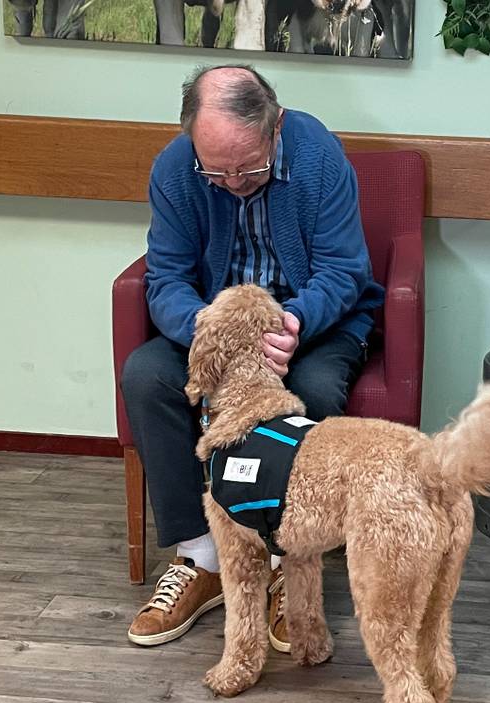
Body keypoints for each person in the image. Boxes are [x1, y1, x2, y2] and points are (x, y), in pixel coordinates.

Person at [120, 64, 383, 649]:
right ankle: (203, 559)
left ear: (275, 125)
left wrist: (293, 324)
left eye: (250, 168)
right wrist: (211, 331)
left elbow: (344, 271)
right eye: (217, 170)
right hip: (217, 326)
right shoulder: (174, 168)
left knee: (312, 393)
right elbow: (165, 279)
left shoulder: (318, 155)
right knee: (147, 376)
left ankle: (291, 565)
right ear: (192, 137)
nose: (234, 182)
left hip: (310, 322)